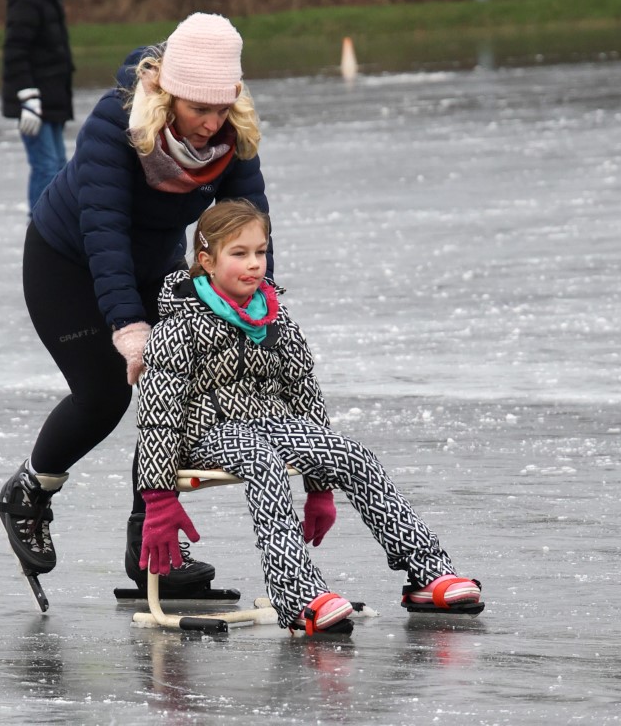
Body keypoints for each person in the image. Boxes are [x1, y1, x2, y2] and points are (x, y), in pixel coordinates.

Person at [0, 13, 271, 598]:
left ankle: (153, 545)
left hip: (152, 261)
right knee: (105, 393)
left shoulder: (229, 133)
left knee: (180, 384)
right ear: (168, 93)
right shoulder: (113, 125)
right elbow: (104, 232)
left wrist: (258, 303)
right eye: (199, 109)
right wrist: (127, 324)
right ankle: (30, 491)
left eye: (222, 109)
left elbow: (248, 220)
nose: (210, 123)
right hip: (66, 261)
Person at [134, 200, 484, 634]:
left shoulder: (275, 319)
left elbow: (304, 399)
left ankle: (427, 574)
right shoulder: (178, 326)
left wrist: (319, 487)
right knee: (261, 460)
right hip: (207, 433)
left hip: (272, 425)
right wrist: (159, 499)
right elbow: (157, 415)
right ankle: (298, 594)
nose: (254, 264)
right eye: (239, 254)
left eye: (260, 252)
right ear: (206, 261)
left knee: (351, 454)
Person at [0, 0, 77, 212]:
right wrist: (27, 98)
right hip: (35, 103)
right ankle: (42, 231)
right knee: (46, 167)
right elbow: (15, 52)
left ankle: (54, 226)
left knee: (58, 166)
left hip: (50, 99)